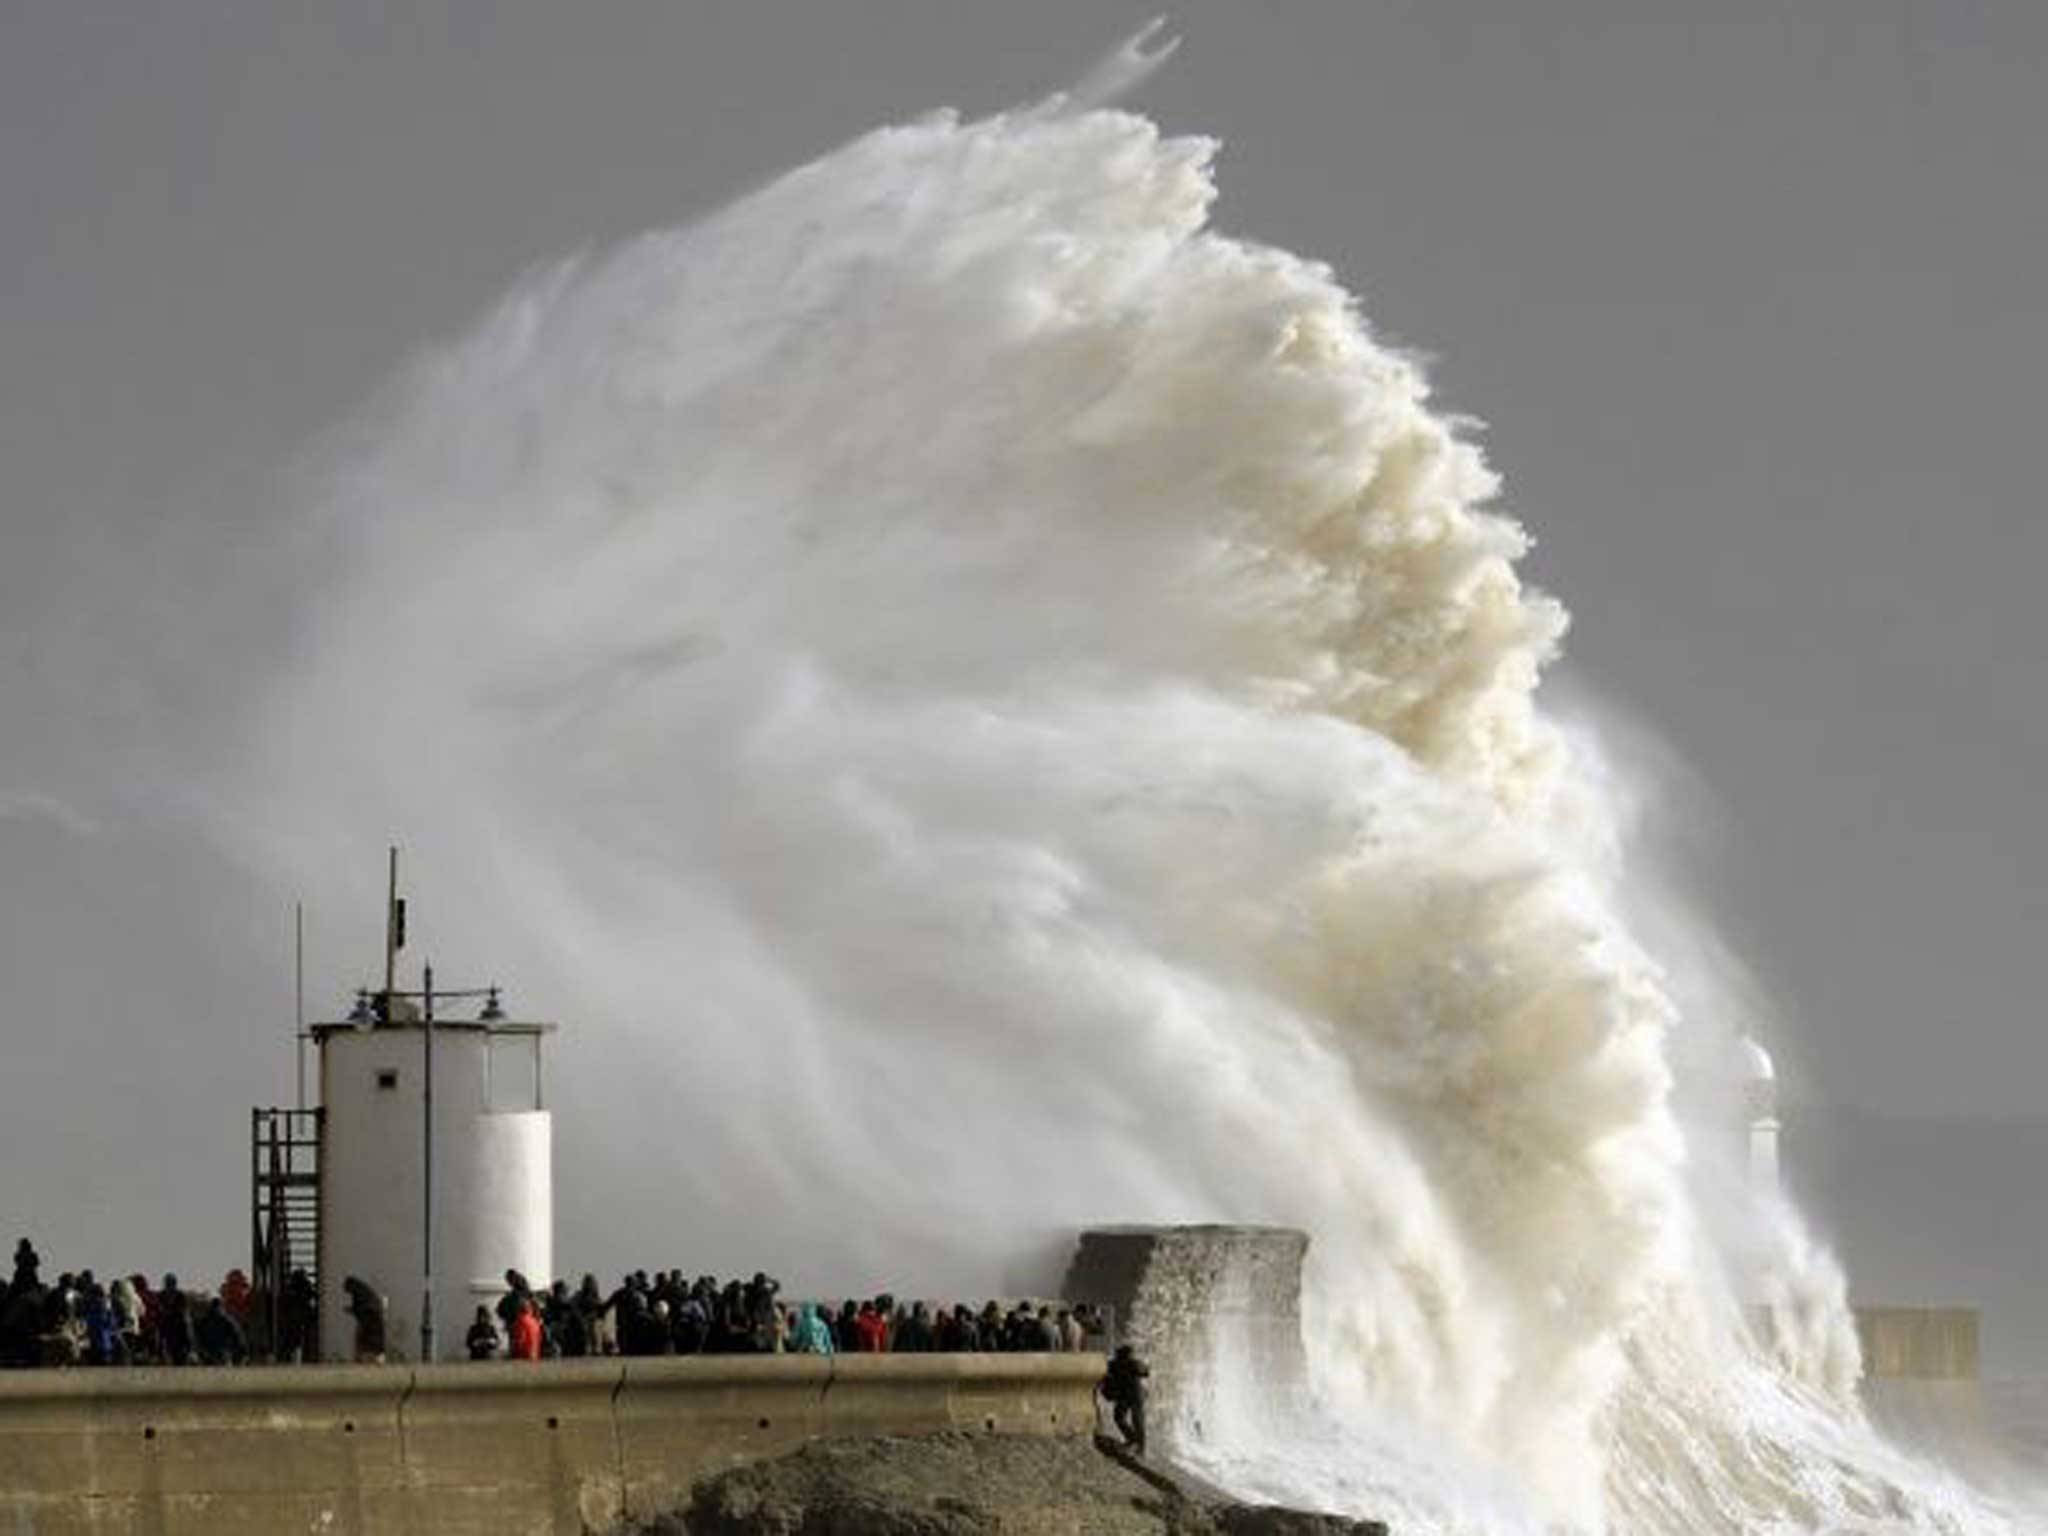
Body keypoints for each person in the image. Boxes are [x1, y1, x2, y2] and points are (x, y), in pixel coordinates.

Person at [1100, 1344, 1150, 1456]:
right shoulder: (1132, 1363)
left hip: (1129, 1395)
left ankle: (1135, 1442)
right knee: (1134, 1420)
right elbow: (1146, 1372)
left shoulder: (1115, 1364)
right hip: (1133, 1395)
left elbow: (1105, 1374)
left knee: (1121, 1417)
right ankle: (1137, 1444)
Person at [342, 1276, 386, 1363]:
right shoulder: (364, 1292)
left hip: (369, 1319)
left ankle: (365, 1357)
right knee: (372, 1339)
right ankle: (370, 1357)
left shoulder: (359, 1294)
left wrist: (351, 1310)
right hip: (370, 1318)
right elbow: (360, 1307)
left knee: (365, 1339)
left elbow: (361, 1308)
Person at [195, 1298, 248, 1366]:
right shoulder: (228, 1320)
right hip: (224, 1353)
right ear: (221, 1306)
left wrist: (201, 1352)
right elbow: (237, 1335)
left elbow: (199, 1337)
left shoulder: (204, 1321)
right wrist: (243, 1351)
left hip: (209, 1354)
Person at [508, 1297, 542, 1362]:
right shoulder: (535, 1322)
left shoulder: (520, 1321)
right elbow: (539, 1337)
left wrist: (514, 1353)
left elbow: (520, 1339)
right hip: (534, 1354)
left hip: (523, 1355)